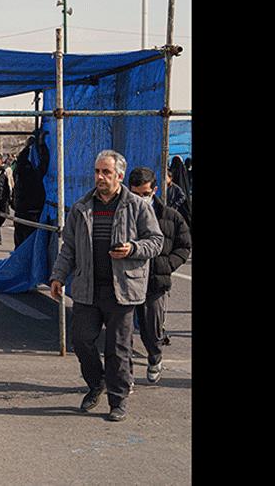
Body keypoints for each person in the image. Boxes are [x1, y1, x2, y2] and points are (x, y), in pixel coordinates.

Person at [50, 150, 163, 422]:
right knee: (81, 340)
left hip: (122, 290)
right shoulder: (81, 207)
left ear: (119, 176)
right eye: (98, 172)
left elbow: (156, 241)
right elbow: (69, 248)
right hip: (88, 288)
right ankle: (96, 382)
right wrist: (58, 276)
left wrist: (133, 248)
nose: (100, 177)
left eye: (106, 173)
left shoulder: (138, 206)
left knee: (118, 349)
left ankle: (118, 399)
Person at [127, 167, 191, 383]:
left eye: (145, 194)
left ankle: (155, 356)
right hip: (125, 281)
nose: (141, 199)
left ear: (154, 190)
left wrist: (167, 265)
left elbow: (184, 246)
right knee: (120, 332)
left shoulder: (170, 217)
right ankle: (123, 378)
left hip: (155, 283)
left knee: (150, 329)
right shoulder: (122, 214)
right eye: (136, 194)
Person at [12, 130, 50, 248]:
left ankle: (20, 263)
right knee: (33, 243)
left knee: (20, 242)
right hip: (33, 212)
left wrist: (27, 147)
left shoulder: (19, 176)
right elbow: (45, 162)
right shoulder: (35, 177)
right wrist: (42, 144)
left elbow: (20, 163)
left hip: (22, 211)